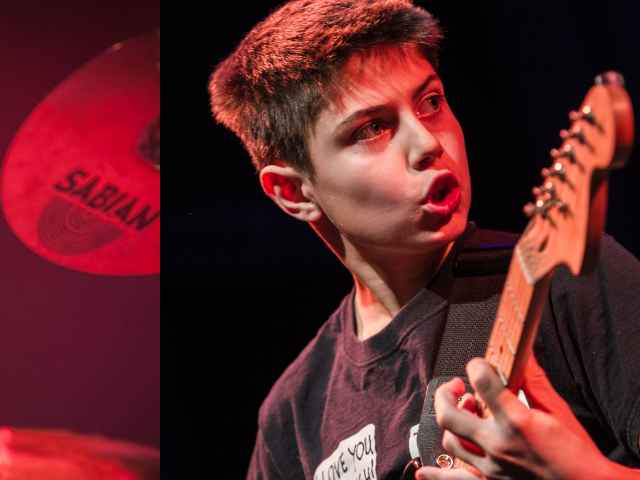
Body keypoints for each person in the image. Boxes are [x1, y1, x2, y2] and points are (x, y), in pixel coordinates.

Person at [209, 1, 640, 478]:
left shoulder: (566, 285)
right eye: (372, 129)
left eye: (430, 102)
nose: (427, 143)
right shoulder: (294, 415)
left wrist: (575, 473)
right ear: (294, 192)